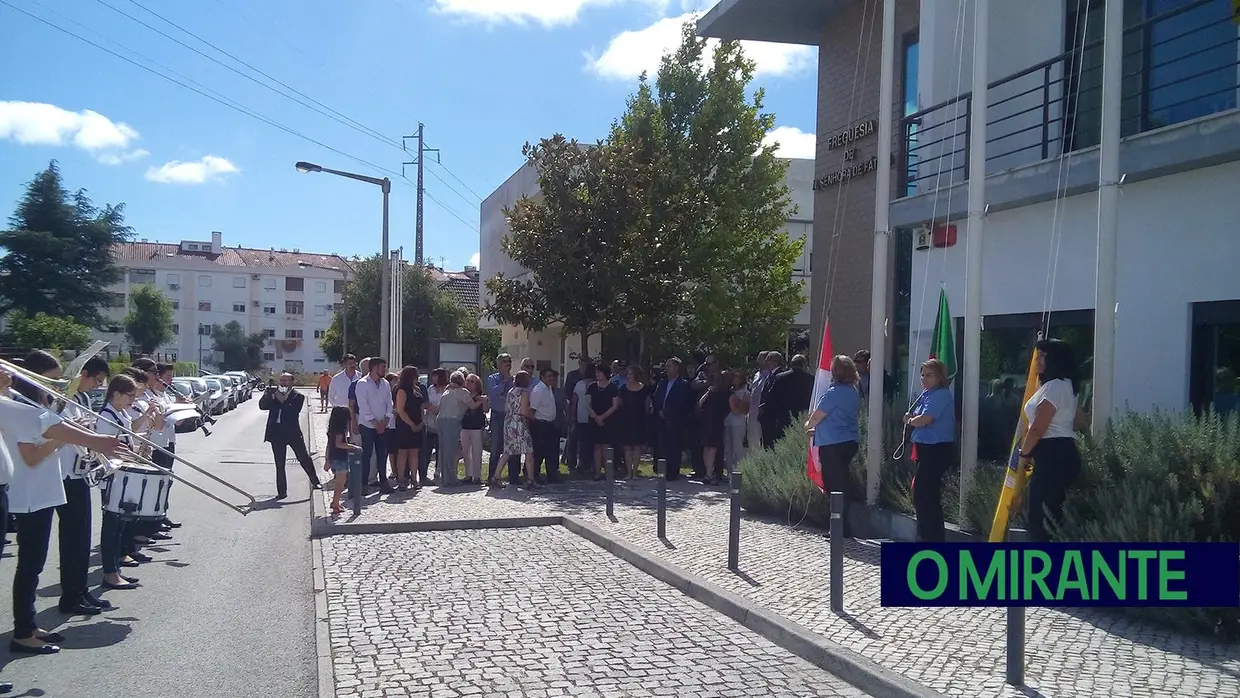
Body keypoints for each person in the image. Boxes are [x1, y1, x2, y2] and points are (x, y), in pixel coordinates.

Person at [2, 354, 122, 657]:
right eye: (50, 380)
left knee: (34, 564)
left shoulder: (26, 407)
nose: (55, 386)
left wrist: (79, 436)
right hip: (29, 495)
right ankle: (22, 632)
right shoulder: (19, 408)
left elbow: (47, 429)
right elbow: (32, 454)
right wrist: (88, 439)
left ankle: (28, 626)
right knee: (29, 566)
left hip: (41, 493)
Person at [58, 356, 113, 615]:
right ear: (83, 374)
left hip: (79, 473)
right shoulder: (61, 401)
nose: (97, 386)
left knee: (81, 539)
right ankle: (70, 596)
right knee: (72, 540)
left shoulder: (83, 400)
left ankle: (80, 590)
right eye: (96, 381)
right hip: (65, 475)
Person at [1018, 338, 1084, 542]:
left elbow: (1038, 428)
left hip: (1051, 453)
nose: (1037, 361)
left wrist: (1024, 454)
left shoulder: (1054, 387)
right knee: (1051, 514)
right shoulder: (1066, 386)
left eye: (1043, 356)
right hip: (1062, 451)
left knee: (1039, 517)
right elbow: (1078, 421)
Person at [94, 374, 144, 591]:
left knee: (120, 526)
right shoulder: (106, 417)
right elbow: (102, 451)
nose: (133, 399)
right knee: (111, 527)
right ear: (116, 393)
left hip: (123, 475)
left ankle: (116, 569)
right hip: (113, 477)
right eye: (130, 395)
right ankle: (110, 573)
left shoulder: (119, 412)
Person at [804, 355, 862, 536]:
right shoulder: (853, 391)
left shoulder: (833, 393)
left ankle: (839, 528)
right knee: (841, 483)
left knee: (834, 486)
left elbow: (816, 417)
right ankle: (842, 526)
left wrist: (808, 426)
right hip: (848, 441)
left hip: (832, 445)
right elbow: (839, 418)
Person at [905, 358, 957, 542]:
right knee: (924, 495)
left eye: (929, 375)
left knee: (925, 494)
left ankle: (932, 538)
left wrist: (911, 421)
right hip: (924, 448)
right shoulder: (927, 394)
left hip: (937, 450)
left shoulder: (941, 394)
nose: (924, 379)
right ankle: (927, 536)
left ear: (939, 377)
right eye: (922, 375)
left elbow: (925, 419)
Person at [259, 372, 323, 499]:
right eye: (281, 380)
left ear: (292, 382)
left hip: (292, 433)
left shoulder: (298, 396)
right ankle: (282, 491)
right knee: (279, 463)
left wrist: (281, 398)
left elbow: (292, 411)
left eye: (286, 380)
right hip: (276, 434)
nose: (283, 383)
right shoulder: (273, 394)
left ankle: (315, 481)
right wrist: (270, 396)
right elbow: (262, 406)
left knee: (304, 458)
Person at [491, 371, 536, 489]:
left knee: (507, 451)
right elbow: (523, 411)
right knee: (529, 451)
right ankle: (530, 480)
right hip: (519, 423)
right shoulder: (524, 393)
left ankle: (495, 477)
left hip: (508, 422)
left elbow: (506, 408)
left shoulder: (510, 391)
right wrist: (532, 415)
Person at [354, 358, 394, 493]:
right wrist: (375, 423)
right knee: (367, 455)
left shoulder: (386, 384)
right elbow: (363, 407)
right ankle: (363, 484)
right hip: (367, 426)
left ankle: (383, 482)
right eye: (383, 367)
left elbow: (390, 402)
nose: (385, 370)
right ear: (375, 368)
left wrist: (387, 419)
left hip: (384, 425)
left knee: (382, 455)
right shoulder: (362, 384)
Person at [653, 357, 692, 481]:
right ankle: (661, 471)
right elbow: (657, 398)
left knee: (674, 447)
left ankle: (672, 473)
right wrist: (660, 410)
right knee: (661, 446)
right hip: (661, 419)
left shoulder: (683, 384)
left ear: (676, 368)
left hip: (675, 420)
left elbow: (682, 403)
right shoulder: (662, 383)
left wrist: (669, 413)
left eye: (669, 366)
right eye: (666, 366)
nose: (666, 368)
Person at [435, 372, 474, 486]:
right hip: (451, 421)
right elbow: (472, 406)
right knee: (450, 451)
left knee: (443, 450)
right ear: (461, 381)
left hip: (440, 420)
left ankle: (444, 477)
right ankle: (450, 479)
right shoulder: (463, 392)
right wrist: (481, 400)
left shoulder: (447, 392)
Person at [323, 406, 362, 515]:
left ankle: (335, 501)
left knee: (339, 482)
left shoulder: (332, 430)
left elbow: (329, 446)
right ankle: (335, 504)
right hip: (340, 458)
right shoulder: (340, 430)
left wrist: (327, 460)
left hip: (333, 457)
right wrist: (353, 447)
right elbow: (339, 444)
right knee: (340, 483)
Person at [392, 366, 425, 491]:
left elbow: (421, 406)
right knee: (403, 452)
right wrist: (412, 424)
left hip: (417, 422)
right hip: (405, 424)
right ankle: (401, 478)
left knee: (414, 453)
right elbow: (400, 410)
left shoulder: (416, 390)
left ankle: (414, 478)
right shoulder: (401, 390)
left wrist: (421, 422)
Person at [585, 364, 620, 481]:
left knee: (606, 447)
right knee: (596, 446)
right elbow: (587, 404)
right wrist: (596, 417)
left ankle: (608, 471)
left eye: (600, 372)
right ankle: (597, 472)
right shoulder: (592, 387)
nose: (597, 374)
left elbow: (615, 405)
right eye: (596, 372)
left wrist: (603, 417)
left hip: (609, 420)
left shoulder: (612, 387)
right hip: (594, 420)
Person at [697, 373, 732, 485]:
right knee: (712, 449)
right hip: (717, 423)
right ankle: (709, 474)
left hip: (706, 421)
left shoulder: (711, 392)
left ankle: (708, 473)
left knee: (707, 448)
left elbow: (700, 403)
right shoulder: (727, 394)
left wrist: (708, 392)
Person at [615, 366, 649, 481]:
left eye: (631, 374)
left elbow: (646, 405)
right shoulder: (623, 389)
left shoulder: (643, 389)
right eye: (627, 374)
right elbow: (620, 404)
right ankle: (629, 472)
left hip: (639, 419)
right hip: (626, 420)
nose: (628, 376)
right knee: (627, 448)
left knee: (637, 447)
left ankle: (635, 472)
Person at [460, 374, 488, 485]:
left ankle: (477, 476)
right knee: (466, 452)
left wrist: (483, 401)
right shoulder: (463, 394)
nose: (468, 383)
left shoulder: (481, 396)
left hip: (477, 426)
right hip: (464, 426)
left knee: (477, 452)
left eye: (472, 381)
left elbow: (485, 410)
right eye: (467, 381)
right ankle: (468, 474)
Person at [724, 370, 751, 475]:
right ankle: (730, 472)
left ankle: (740, 472)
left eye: (738, 377)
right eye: (734, 376)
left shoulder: (745, 392)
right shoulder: (729, 391)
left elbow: (744, 410)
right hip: (727, 421)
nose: (735, 378)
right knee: (728, 448)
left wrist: (738, 402)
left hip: (738, 422)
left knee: (737, 448)